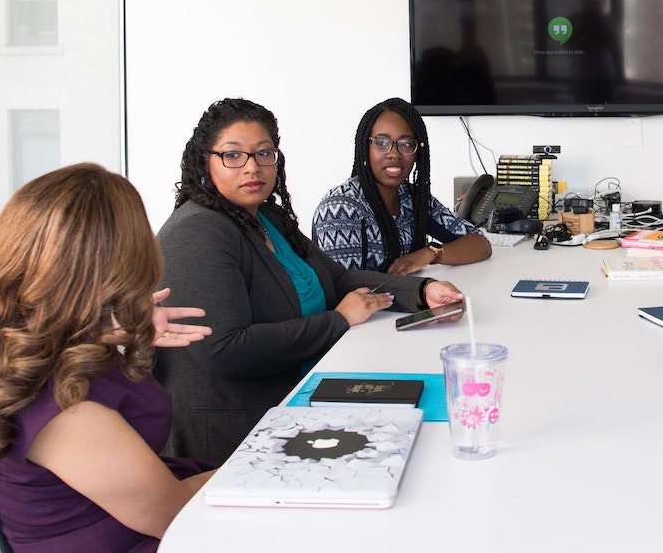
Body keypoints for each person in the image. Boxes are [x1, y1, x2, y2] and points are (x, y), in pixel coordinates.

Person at [0, 163, 217, 553]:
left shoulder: (18, 346)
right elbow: (172, 517)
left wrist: (117, 329)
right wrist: (265, 463)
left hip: (119, 536)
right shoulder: (68, 414)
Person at [155, 98, 465, 464]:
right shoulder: (197, 231)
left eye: (264, 153)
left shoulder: (264, 215)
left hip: (302, 394)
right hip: (237, 433)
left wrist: (421, 291)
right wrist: (339, 320)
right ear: (205, 161)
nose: (252, 167)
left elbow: (337, 278)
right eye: (233, 155)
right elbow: (226, 351)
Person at [312, 97, 492, 274]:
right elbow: (346, 288)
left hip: (414, 299)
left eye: (406, 144)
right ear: (364, 148)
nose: (394, 154)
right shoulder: (340, 208)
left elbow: (480, 244)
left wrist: (430, 253)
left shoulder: (412, 198)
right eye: (381, 143)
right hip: (388, 302)